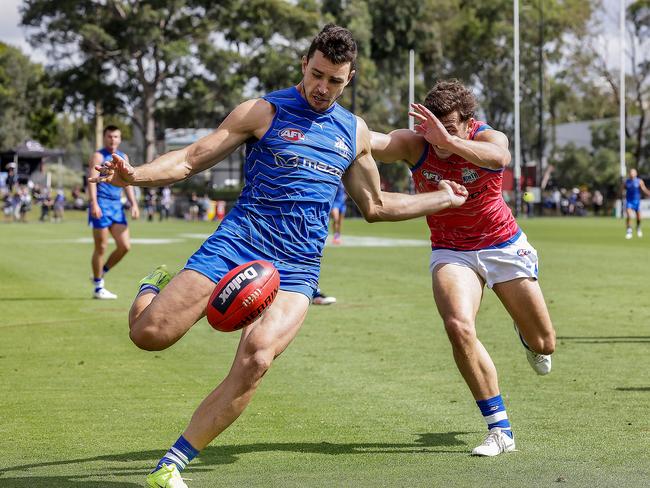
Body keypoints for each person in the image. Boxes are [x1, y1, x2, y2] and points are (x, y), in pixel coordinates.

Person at [91, 25, 468, 488]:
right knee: (149, 334)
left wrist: (442, 200)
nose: (322, 88)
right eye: (316, 75)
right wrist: (136, 177)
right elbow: (191, 158)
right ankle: (155, 282)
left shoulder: (353, 131)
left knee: (257, 358)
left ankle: (172, 464)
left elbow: (376, 206)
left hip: (297, 267)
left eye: (334, 81)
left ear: (349, 80)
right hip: (240, 241)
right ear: (303, 65)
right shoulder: (262, 111)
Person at [370, 79, 556, 457]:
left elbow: (499, 160)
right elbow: (366, 141)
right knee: (458, 325)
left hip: (503, 245)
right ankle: (499, 430)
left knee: (544, 344)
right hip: (451, 251)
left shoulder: (489, 137)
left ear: (469, 122)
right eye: (432, 129)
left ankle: (526, 334)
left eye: (449, 128)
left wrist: (451, 141)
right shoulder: (417, 143)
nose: (437, 138)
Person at [88, 125, 140, 299]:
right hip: (101, 205)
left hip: (117, 207)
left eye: (116, 136)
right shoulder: (98, 155)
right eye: (110, 136)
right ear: (104, 137)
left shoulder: (123, 157)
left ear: (120, 139)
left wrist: (133, 203)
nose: (113, 139)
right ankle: (98, 287)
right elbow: (91, 181)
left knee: (125, 246)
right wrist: (94, 203)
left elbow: (127, 183)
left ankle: (101, 271)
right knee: (101, 247)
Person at [623, 168, 650, 239]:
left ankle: (638, 227)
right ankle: (629, 230)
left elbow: (644, 189)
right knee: (629, 215)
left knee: (639, 217)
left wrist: (648, 193)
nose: (631, 174)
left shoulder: (639, 181)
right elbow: (622, 189)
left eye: (633, 172)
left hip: (637, 201)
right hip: (629, 201)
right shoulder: (626, 182)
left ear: (636, 174)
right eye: (630, 172)